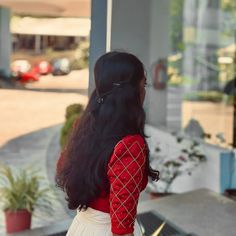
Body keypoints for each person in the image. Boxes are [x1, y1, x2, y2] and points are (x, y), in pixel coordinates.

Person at [56, 51, 159, 236]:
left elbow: (63, 167)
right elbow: (121, 226)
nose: (144, 91)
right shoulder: (130, 145)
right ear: (131, 92)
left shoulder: (84, 127)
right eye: (143, 84)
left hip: (81, 226)